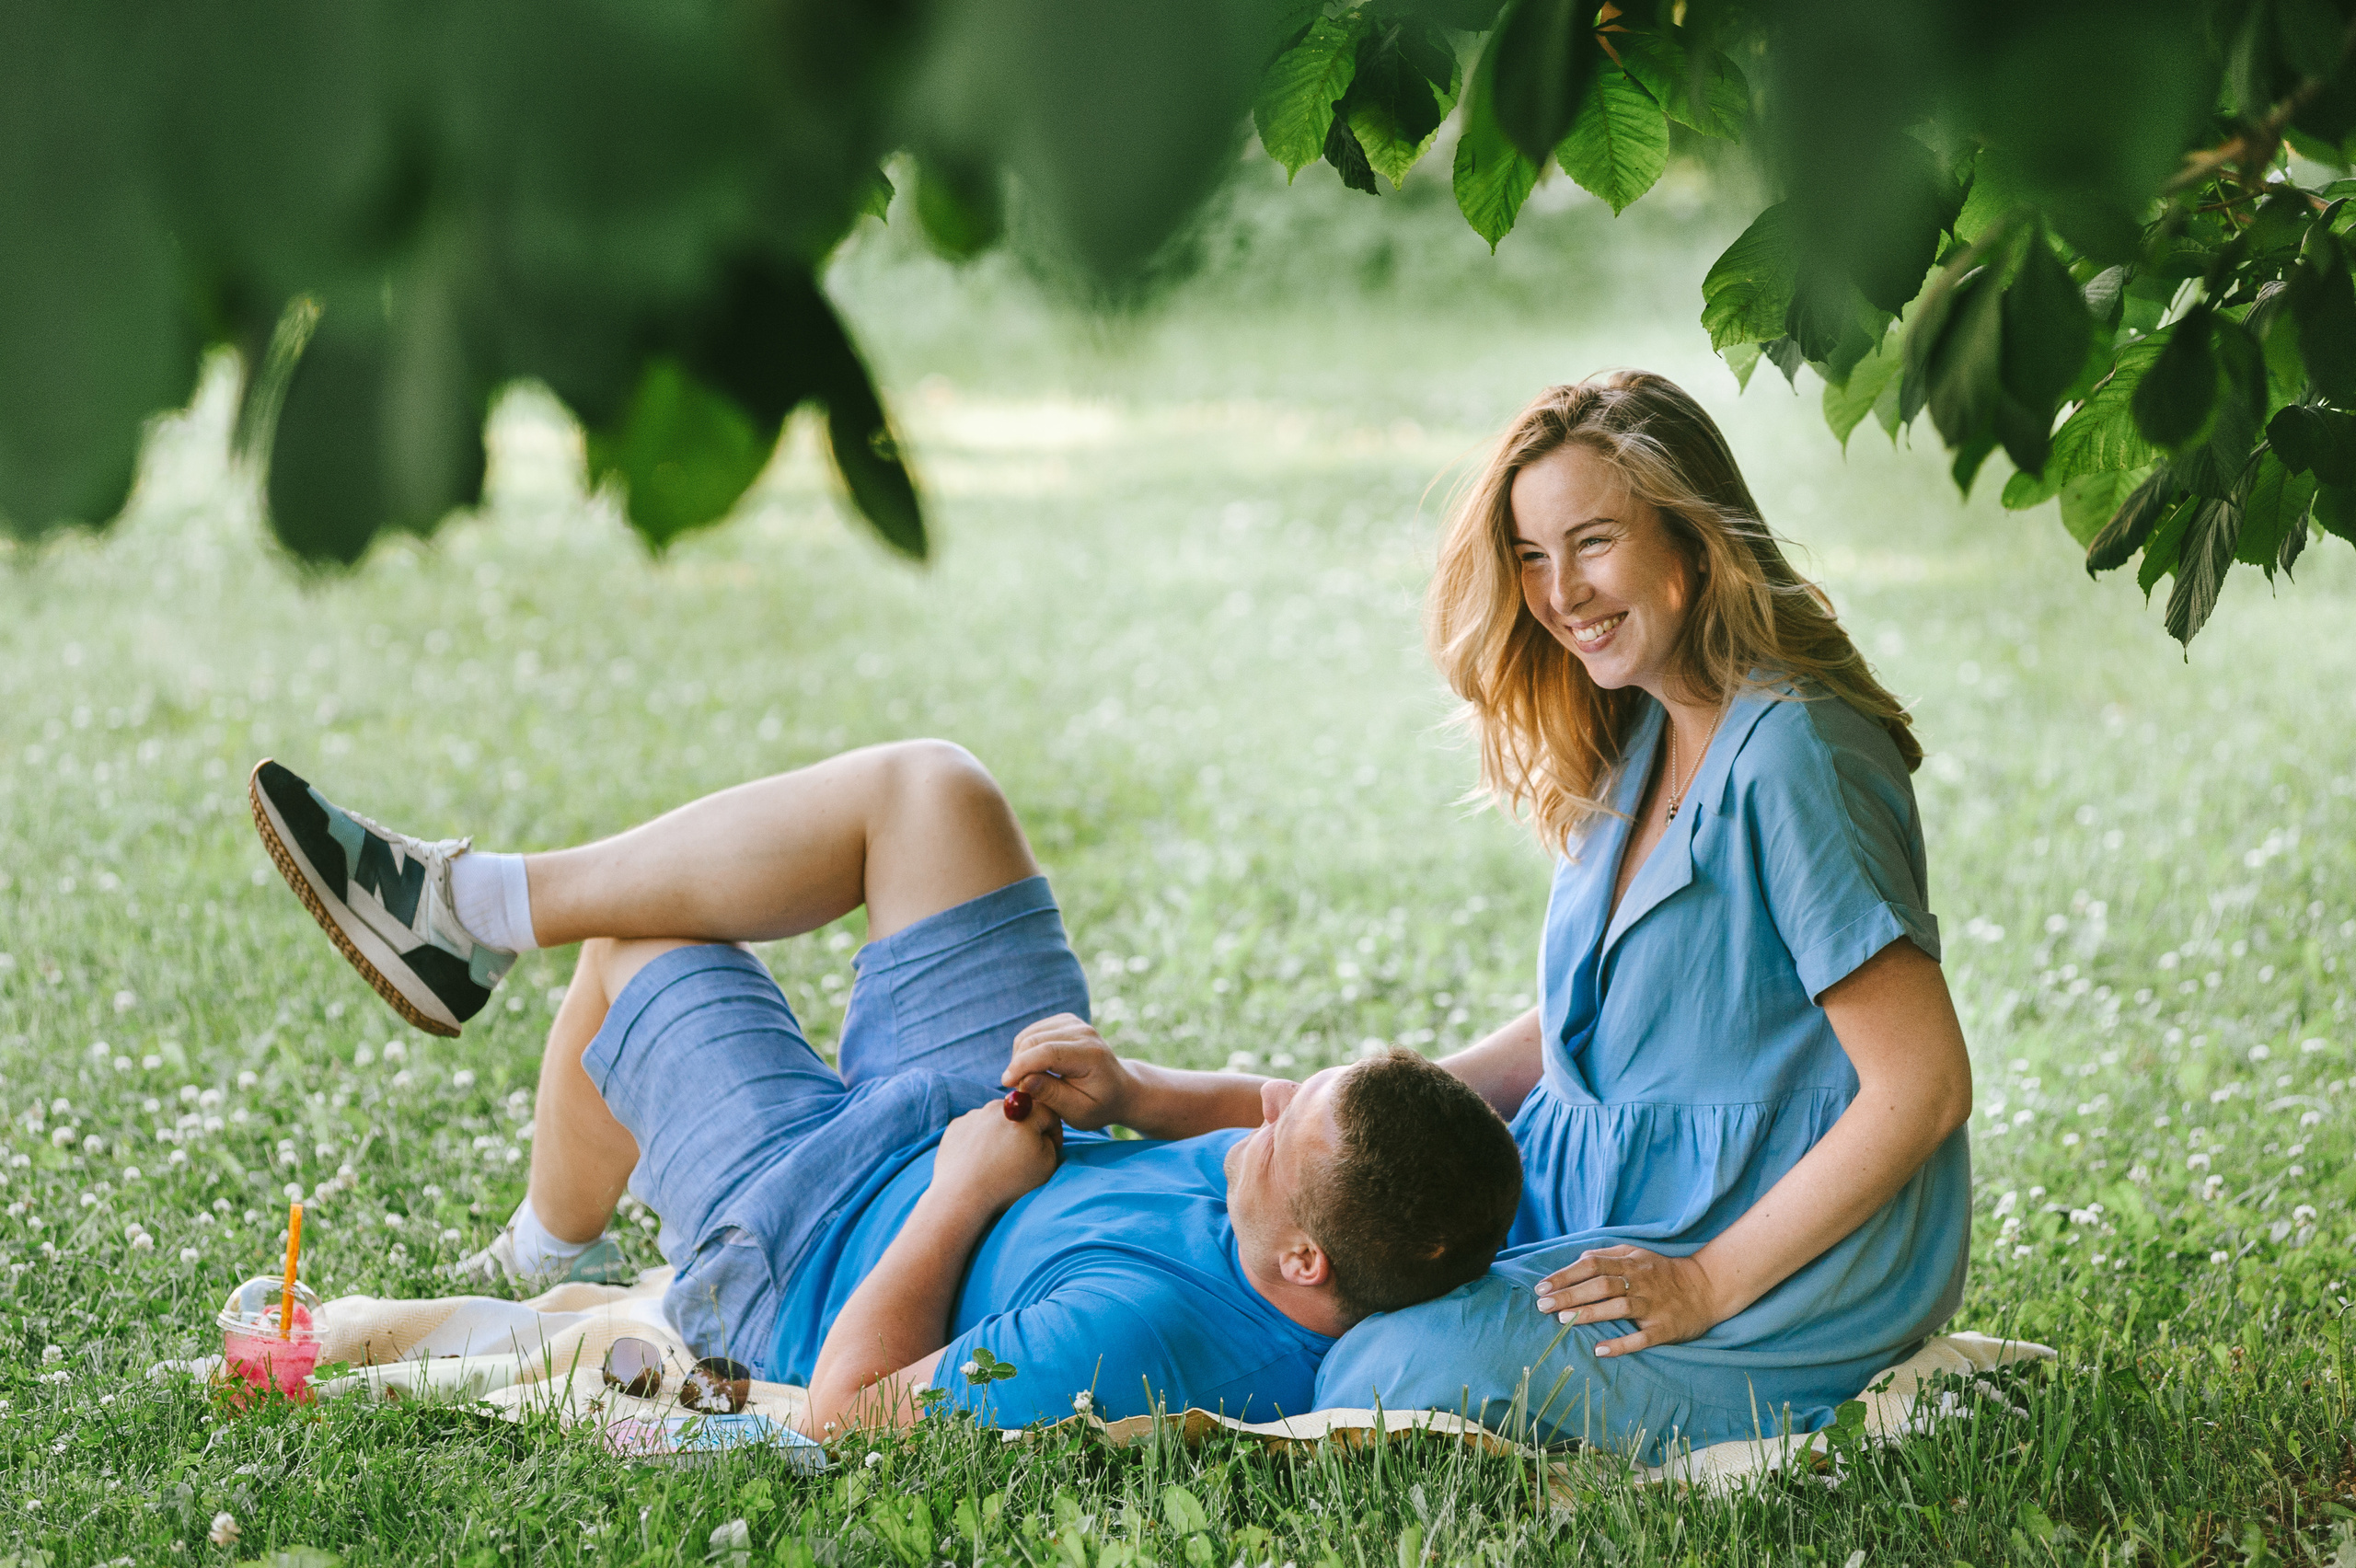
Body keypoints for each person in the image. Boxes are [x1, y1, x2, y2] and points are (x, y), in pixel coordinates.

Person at [247, 744, 1522, 1433]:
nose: (1258, 1111)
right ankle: (470, 913)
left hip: (815, 1243)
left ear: (1302, 1265)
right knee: (932, 793)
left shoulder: (1133, 1338)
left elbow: (853, 1415)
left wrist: (963, 1197)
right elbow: (1269, 1110)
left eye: (1274, 1136)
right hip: (984, 1118)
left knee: (636, 950)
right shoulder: (1323, 1210)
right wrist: (1131, 1091)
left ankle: (535, 1251)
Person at [1311, 372, 1974, 1462]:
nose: (1558, 591)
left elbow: (1923, 1086)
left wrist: (1704, 1283)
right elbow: (1598, 1022)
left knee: (1380, 1366)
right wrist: (1366, 1112)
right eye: (1530, 555)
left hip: (1754, 1257)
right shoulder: (1641, 730)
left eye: (1593, 542)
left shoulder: (1796, 756)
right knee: (1312, 1259)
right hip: (1589, 1192)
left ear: (1694, 541)